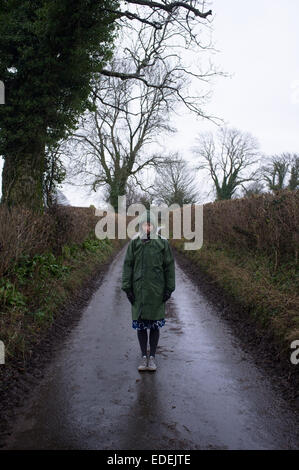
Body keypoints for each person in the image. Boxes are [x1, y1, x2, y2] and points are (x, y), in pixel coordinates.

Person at [121, 209, 175, 371]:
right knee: (141, 326)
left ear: (155, 226)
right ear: (141, 226)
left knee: (154, 326)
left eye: (151, 225)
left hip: (156, 292)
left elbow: (169, 267)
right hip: (138, 292)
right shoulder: (134, 243)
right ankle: (143, 356)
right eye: (145, 224)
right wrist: (127, 288)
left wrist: (169, 288)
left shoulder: (162, 243)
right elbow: (127, 266)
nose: (148, 228)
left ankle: (152, 358)